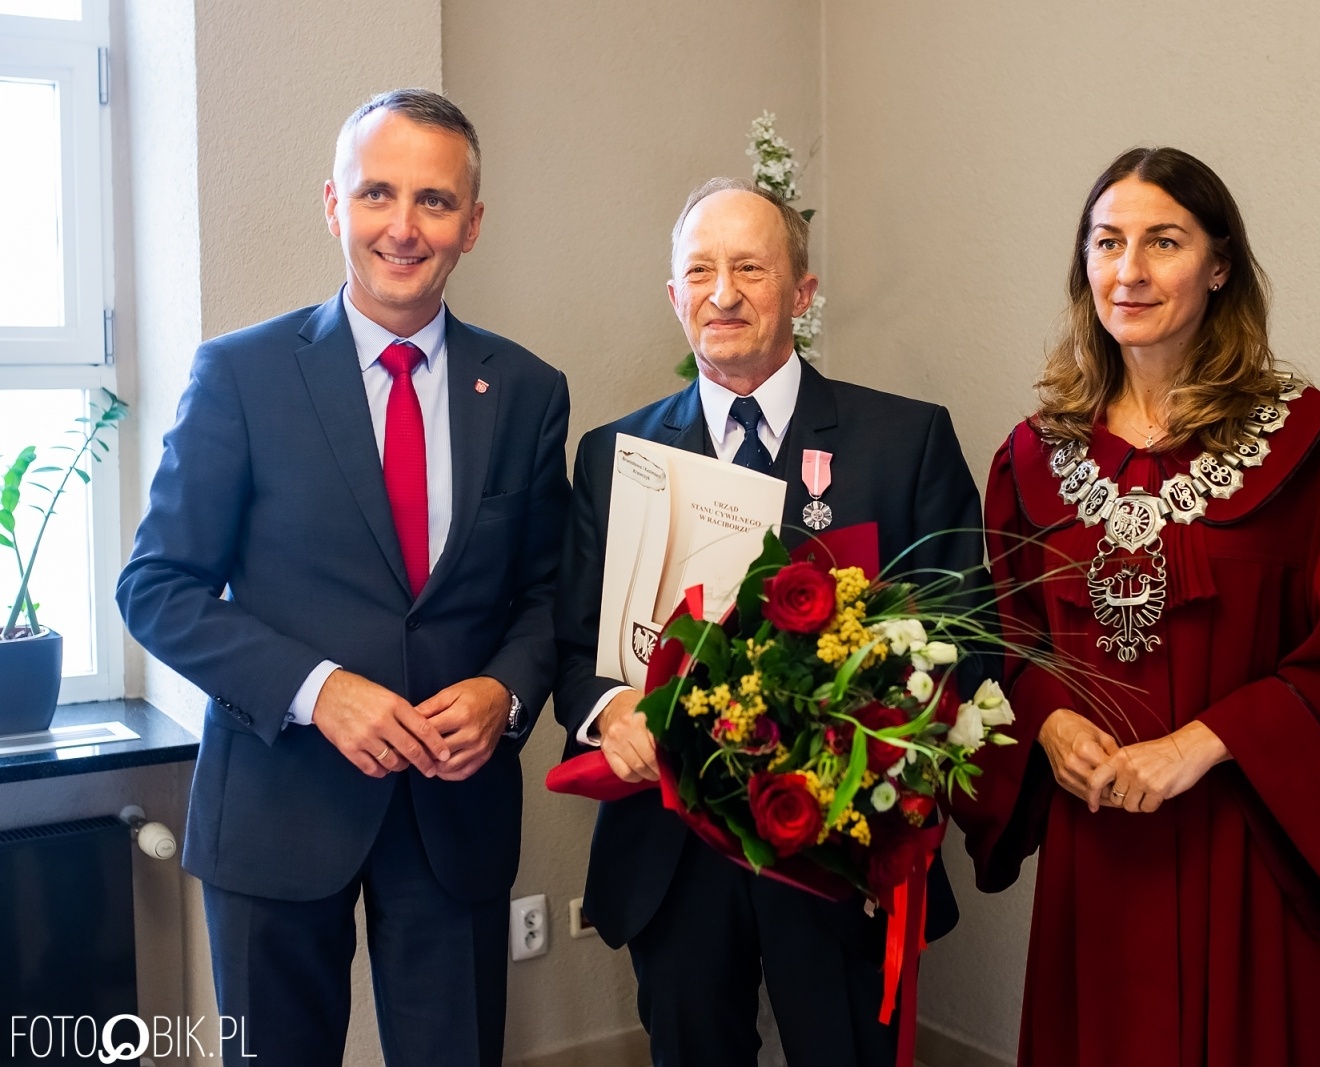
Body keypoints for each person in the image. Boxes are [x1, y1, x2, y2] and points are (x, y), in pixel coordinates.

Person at [952, 147, 1320, 1067]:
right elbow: (1001, 653)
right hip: (1096, 853)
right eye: (1107, 243)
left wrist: (1206, 742)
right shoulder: (1028, 460)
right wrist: (1047, 723)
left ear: (1220, 266)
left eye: (1162, 241)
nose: (1128, 270)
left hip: (1256, 849)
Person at [117, 89, 570, 1067]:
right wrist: (320, 691)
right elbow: (158, 587)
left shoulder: (527, 391)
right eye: (377, 194)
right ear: (334, 205)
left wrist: (504, 690)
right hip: (276, 807)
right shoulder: (239, 375)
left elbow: (544, 592)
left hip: (455, 816)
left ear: (473, 224)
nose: (402, 227)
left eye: (434, 201)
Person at [553, 177, 982, 1067]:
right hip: (671, 848)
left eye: (750, 267)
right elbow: (572, 640)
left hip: (836, 847)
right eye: (700, 271)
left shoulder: (904, 442)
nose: (722, 293)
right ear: (674, 297)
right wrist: (610, 710)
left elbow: (964, 638)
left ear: (803, 291)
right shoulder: (613, 457)